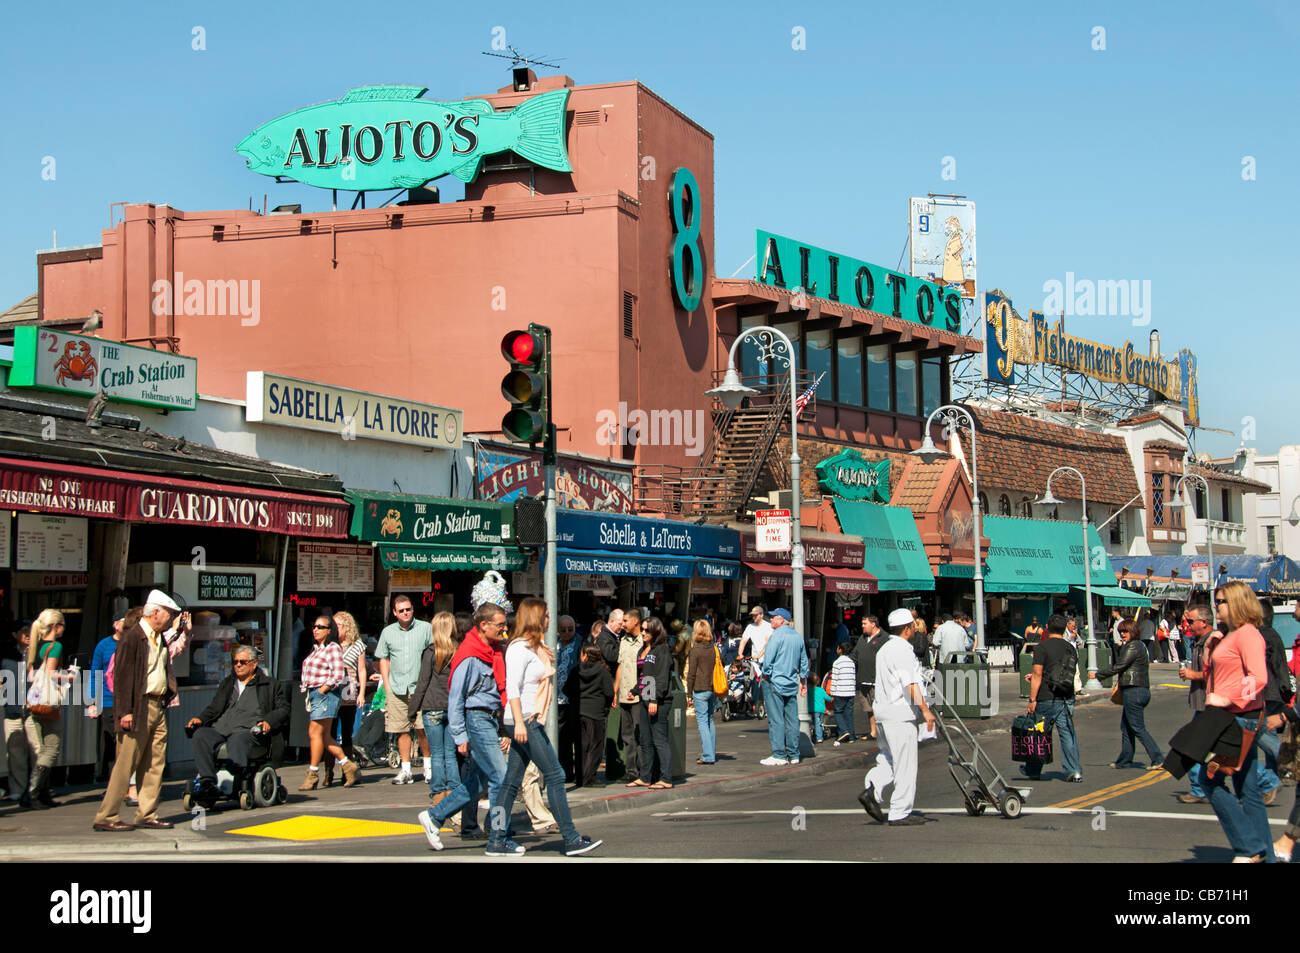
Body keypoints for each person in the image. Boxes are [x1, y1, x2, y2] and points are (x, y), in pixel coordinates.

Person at [496, 597, 602, 855]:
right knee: (555, 775)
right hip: (524, 720)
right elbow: (513, 688)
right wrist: (520, 723)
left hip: (528, 719)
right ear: (535, 618)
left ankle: (496, 839)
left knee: (511, 782)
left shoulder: (536, 647)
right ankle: (570, 837)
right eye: (545, 616)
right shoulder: (519, 648)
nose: (549, 620)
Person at [418, 601, 515, 854]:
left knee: (479, 782)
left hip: (489, 718)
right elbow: (456, 698)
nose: (505, 629)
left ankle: (434, 817)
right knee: (501, 777)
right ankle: (499, 835)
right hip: (477, 719)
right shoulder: (469, 654)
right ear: (483, 625)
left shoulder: (493, 651)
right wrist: (460, 734)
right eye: (500, 625)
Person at [92, 590, 190, 832]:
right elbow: (122, 677)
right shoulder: (132, 637)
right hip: (138, 706)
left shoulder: (158, 637)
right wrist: (124, 711)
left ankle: (147, 812)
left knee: (154, 762)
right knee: (126, 762)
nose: (170, 618)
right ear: (155, 611)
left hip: (157, 704)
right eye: (168, 614)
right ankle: (107, 815)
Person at [1198, 582, 1272, 862]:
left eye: (1221, 601)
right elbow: (1215, 673)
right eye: (1216, 601)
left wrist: (1227, 699)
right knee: (1247, 789)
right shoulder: (1230, 635)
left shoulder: (1248, 635)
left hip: (1238, 720)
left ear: (1238, 603)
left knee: (1210, 776)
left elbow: (1259, 678)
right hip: (1235, 720)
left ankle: (1249, 847)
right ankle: (1263, 854)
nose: (1216, 606)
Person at [857, 608, 936, 825]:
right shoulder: (902, 650)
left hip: (882, 711)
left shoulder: (884, 649)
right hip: (899, 713)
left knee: (889, 758)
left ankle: (872, 787)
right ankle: (900, 811)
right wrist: (925, 710)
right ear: (908, 628)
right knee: (905, 764)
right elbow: (909, 683)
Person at [186, 644, 290, 796]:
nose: (238, 665)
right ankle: (207, 781)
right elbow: (214, 708)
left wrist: (268, 721)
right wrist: (200, 719)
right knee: (201, 735)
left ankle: (239, 775)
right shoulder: (228, 683)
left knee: (237, 739)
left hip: (250, 731)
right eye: (235, 662)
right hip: (222, 728)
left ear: (254, 664)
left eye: (243, 662)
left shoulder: (270, 684)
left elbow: (283, 709)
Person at [1090, 620, 1163, 768]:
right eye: (1121, 632)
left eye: (1125, 631)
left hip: (1134, 690)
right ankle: (1125, 760)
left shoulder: (1133, 646)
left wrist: (1098, 675)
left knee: (1137, 727)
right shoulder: (1139, 645)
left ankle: (1158, 758)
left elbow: (1119, 666)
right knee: (1127, 726)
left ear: (1133, 631)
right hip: (1138, 690)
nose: (1122, 634)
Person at [297, 615, 358, 790]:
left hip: (326, 694)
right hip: (314, 694)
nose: (316, 629)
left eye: (321, 627)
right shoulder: (316, 649)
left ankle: (313, 773)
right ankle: (347, 764)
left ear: (329, 630)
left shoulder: (332, 648)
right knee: (323, 735)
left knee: (315, 732)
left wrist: (324, 689)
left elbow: (338, 674)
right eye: (314, 626)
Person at [377, 594, 433, 785]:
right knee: (400, 729)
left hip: (420, 687)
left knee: (422, 728)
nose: (405, 613)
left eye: (408, 609)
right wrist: (386, 684)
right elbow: (383, 658)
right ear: (394, 613)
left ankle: (428, 767)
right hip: (397, 687)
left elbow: (433, 653)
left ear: (412, 609)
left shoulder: (425, 628)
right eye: (401, 610)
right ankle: (406, 769)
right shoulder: (388, 632)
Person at [1021, 614, 1083, 783]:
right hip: (1065, 696)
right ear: (1064, 628)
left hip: (1046, 697)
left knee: (1040, 734)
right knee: (1067, 734)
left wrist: (1032, 700)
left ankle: (1033, 769)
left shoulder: (1042, 647)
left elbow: (1037, 673)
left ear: (1047, 627)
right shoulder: (1070, 647)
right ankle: (1074, 770)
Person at [409, 612, 459, 806]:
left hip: (432, 706)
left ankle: (438, 792)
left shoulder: (431, 651)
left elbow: (422, 683)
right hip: (452, 705)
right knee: (450, 753)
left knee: (436, 753)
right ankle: (454, 789)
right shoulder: (458, 649)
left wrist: (412, 710)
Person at [24, 609, 72, 808]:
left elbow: (30, 676)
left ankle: (41, 794)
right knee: (52, 747)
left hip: (32, 703)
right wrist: (68, 676)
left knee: (41, 750)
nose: (63, 629)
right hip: (48, 704)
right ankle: (32, 794)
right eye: (62, 625)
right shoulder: (55, 647)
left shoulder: (33, 646)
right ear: (55, 626)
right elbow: (51, 674)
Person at [627, 617, 675, 788]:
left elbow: (660, 678)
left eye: (647, 630)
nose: (643, 633)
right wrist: (635, 690)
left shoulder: (661, 650)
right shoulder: (643, 650)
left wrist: (654, 699)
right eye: (642, 630)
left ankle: (666, 778)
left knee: (659, 739)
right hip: (645, 698)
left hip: (659, 701)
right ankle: (645, 776)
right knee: (645, 739)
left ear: (656, 632)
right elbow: (644, 676)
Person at [758, 608, 808, 767]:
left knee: (776, 720)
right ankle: (794, 754)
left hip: (775, 682)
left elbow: (768, 661)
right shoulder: (797, 637)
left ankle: (779, 754)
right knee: (792, 720)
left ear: (781, 620)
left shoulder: (776, 636)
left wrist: (765, 674)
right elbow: (804, 662)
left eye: (773, 617)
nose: (771, 620)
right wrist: (803, 680)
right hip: (791, 683)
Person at [1255, 601, 1292, 806]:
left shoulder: (1264, 635)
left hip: (1267, 693)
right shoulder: (1271, 634)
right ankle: (1270, 784)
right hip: (1274, 692)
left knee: (1258, 733)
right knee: (1265, 734)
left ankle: (1283, 763)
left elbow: (1276, 665)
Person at [1176, 605, 1214, 804]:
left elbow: (1219, 673)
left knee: (1192, 747)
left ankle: (1199, 789)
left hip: (1212, 704)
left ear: (1204, 622)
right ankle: (1266, 781)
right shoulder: (1199, 642)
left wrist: (1194, 674)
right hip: (1204, 704)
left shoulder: (1213, 642)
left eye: (1190, 621)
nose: (1187, 625)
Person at [89, 615, 124, 783]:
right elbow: (95, 673)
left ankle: (121, 781)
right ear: (115, 624)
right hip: (108, 700)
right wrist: (91, 701)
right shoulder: (103, 645)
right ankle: (109, 778)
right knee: (110, 740)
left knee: (124, 742)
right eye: (123, 622)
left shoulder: (133, 643)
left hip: (127, 702)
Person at [574, 644, 614, 786]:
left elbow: (568, 688)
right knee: (595, 745)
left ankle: (580, 776)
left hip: (579, 711)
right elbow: (609, 692)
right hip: (596, 712)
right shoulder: (603, 671)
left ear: (585, 655)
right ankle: (590, 776)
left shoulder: (576, 670)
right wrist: (606, 704)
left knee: (581, 746)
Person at [613, 608, 644, 782]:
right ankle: (631, 771)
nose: (622, 624)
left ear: (635, 622)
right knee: (627, 735)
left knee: (639, 733)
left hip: (638, 696)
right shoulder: (623, 640)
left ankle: (642, 770)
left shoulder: (643, 641)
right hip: (624, 695)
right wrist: (615, 691)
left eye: (625, 621)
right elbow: (620, 666)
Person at [3, 626, 31, 805]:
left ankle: (35, 788)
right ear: (15, 634)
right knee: (14, 752)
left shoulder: (38, 652)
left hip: (34, 708)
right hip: (12, 709)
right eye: (24, 631)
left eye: (30, 631)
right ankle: (17, 789)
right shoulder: (6, 654)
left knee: (37, 750)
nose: (27, 635)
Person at [333, 611, 367, 758]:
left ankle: (348, 767)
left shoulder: (358, 645)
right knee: (331, 732)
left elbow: (361, 669)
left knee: (347, 731)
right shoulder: (331, 645)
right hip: (332, 691)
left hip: (349, 690)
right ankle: (329, 770)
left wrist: (361, 693)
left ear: (346, 627)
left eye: (337, 626)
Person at [687, 620, 720, 765]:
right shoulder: (713, 648)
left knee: (702, 722)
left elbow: (691, 673)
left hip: (699, 688)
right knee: (709, 720)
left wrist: (688, 693)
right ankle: (711, 751)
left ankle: (708, 755)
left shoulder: (695, 650)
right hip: (712, 687)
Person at [555, 614, 581, 783]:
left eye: (570, 629)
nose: (566, 632)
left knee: (572, 736)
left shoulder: (579, 642)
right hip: (554, 697)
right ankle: (563, 770)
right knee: (559, 736)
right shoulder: (553, 643)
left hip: (571, 697)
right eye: (563, 629)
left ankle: (574, 772)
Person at [852, 615, 886, 740]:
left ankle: (884, 731)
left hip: (877, 680)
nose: (862, 626)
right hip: (863, 678)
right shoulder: (862, 638)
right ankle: (873, 732)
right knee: (869, 708)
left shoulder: (884, 638)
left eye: (864, 623)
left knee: (880, 708)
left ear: (873, 624)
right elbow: (855, 655)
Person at [740, 605, 773, 715]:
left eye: (755, 615)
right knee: (753, 682)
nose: (753, 617)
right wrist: (740, 653)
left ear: (761, 615)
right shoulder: (750, 627)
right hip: (754, 660)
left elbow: (768, 643)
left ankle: (767, 707)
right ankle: (754, 706)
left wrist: (760, 655)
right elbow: (744, 640)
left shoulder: (768, 627)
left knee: (765, 684)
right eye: (752, 615)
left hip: (766, 659)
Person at [829, 642, 856, 746]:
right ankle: (851, 736)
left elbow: (834, 679)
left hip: (840, 692)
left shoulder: (837, 663)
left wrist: (832, 693)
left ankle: (844, 731)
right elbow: (853, 678)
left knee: (838, 712)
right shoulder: (851, 662)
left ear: (839, 650)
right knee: (848, 713)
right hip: (850, 691)